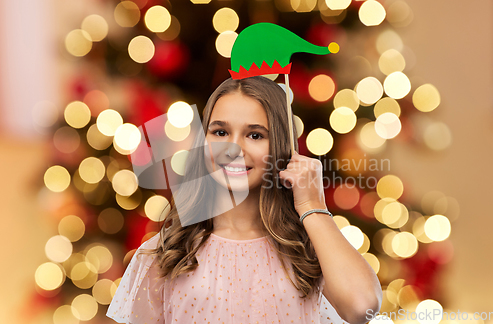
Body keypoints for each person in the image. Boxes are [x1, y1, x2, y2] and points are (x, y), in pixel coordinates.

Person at [106, 76, 382, 324]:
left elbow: (362, 308)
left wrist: (312, 207)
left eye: (255, 135)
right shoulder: (167, 253)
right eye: (221, 132)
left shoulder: (311, 250)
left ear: (281, 148)